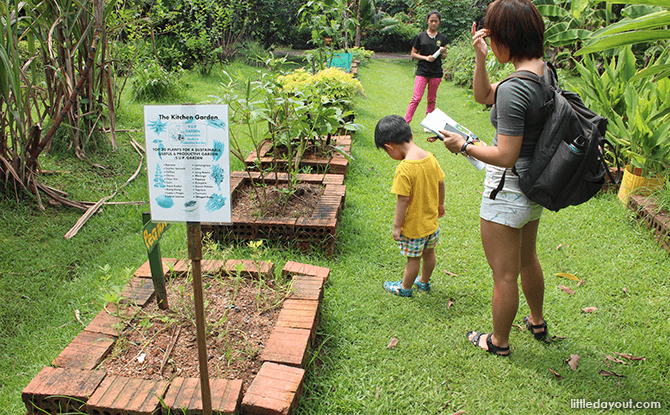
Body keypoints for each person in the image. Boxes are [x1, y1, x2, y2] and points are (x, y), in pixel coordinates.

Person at [433, 0, 549, 355]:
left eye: (492, 35)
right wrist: (481, 58)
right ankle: (537, 320)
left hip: (507, 189)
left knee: (504, 274)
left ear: (508, 37)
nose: (490, 39)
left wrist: (462, 146)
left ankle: (498, 342)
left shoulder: (515, 88)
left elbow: (505, 155)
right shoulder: (542, 71)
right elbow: (483, 95)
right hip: (532, 187)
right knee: (528, 258)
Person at [375, 115, 446, 297]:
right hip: (431, 222)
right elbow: (441, 183)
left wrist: (397, 226)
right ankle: (424, 282)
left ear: (389, 147)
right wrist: (440, 205)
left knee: (413, 259)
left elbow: (403, 200)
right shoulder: (430, 158)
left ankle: (405, 288)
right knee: (429, 253)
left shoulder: (404, 168)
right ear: (411, 134)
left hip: (414, 226)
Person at [404, 11, 448, 127]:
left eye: (436, 21)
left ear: (439, 22)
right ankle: (406, 123)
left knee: (431, 100)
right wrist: (426, 58)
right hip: (422, 71)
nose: (433, 23)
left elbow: (444, 56)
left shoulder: (442, 38)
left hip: (436, 73)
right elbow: (413, 54)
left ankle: (429, 125)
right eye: (431, 20)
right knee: (416, 98)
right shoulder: (420, 37)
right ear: (427, 21)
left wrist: (442, 53)